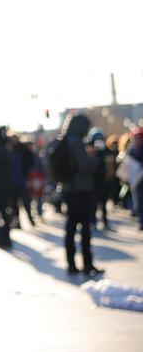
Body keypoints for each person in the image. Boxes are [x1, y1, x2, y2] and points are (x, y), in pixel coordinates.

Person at [60, 114, 104, 276]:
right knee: (84, 228)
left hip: (69, 189)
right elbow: (84, 165)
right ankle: (87, 264)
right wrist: (94, 156)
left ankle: (71, 264)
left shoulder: (65, 140)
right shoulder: (76, 142)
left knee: (71, 227)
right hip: (81, 190)